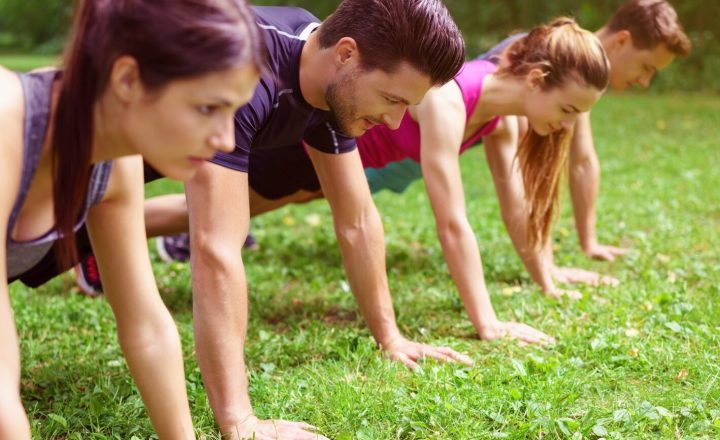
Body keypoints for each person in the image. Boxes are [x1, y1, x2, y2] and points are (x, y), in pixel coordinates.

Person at [70, 1, 468, 438]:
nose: (394, 123)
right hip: (53, 173)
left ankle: (82, 243)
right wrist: (240, 422)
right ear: (347, 54)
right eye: (391, 99)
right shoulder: (244, 68)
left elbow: (357, 220)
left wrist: (391, 337)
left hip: (101, 193)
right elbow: (216, 249)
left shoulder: (328, 84)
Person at [137, 17, 610, 342]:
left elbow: (515, 204)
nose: (568, 125)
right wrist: (486, 322)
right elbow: (452, 222)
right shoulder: (450, 100)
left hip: (346, 163)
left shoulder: (499, 121)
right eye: (567, 109)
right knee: (218, 214)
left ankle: (113, 231)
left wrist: (545, 275)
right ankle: (106, 234)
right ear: (536, 79)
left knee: (228, 212)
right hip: (317, 151)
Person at [0, 0, 263, 438]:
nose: (226, 139)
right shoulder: (7, 122)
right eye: (207, 108)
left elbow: (145, 324)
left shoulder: (114, 162)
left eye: (234, 111)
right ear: (127, 79)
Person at [480, 0, 691, 286]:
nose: (645, 81)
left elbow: (582, 161)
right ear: (622, 41)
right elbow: (518, 176)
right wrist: (547, 270)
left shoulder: (580, 74)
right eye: (646, 66)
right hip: (405, 147)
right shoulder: (540, 59)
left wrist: (588, 241)